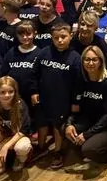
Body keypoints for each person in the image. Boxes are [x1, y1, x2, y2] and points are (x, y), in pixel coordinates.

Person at [30, 22, 82, 169]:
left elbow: (78, 83)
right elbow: (34, 73)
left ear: (70, 36)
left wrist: (75, 101)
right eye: (56, 37)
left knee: (58, 126)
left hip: (62, 100)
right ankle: (41, 147)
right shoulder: (44, 52)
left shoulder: (75, 58)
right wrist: (34, 91)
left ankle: (58, 151)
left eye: (63, 37)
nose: (60, 40)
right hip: (43, 97)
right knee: (42, 123)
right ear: (51, 38)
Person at [65, 45, 107, 164]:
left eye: (94, 59)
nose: (90, 63)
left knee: (89, 149)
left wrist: (87, 134)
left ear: (100, 61)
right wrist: (69, 124)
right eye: (87, 59)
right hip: (91, 121)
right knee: (67, 131)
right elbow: (75, 108)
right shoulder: (81, 81)